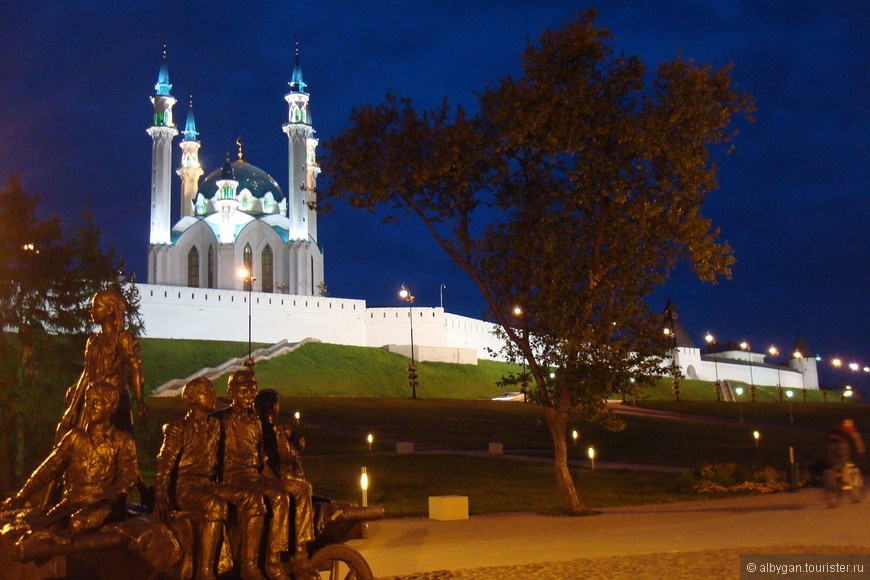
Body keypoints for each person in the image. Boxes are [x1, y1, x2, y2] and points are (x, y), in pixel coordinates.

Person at [153, 377, 267, 580]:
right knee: (216, 506)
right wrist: (160, 495)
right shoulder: (178, 428)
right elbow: (164, 463)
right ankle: (205, 572)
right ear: (192, 398)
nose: (213, 396)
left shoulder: (215, 425)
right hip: (184, 487)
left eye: (213, 392)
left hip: (207, 484)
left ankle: (249, 565)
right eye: (207, 392)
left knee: (254, 501)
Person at [212, 369, 317, 580]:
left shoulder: (256, 422)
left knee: (301, 488)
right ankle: (271, 562)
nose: (249, 395)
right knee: (278, 499)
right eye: (244, 391)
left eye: (252, 390)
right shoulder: (219, 420)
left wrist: (280, 481)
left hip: (255, 476)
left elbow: (262, 461)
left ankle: (299, 555)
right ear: (231, 392)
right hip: (232, 479)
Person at [3, 381, 138, 534]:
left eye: (97, 402)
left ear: (112, 406)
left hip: (102, 504)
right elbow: (49, 467)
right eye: (88, 401)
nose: (90, 406)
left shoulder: (122, 441)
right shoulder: (75, 437)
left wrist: (105, 496)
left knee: (77, 524)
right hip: (71, 501)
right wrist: (21, 495)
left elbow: (129, 477)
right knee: (37, 525)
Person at [56, 289, 146, 441]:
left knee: (115, 442)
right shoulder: (93, 341)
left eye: (96, 306)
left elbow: (136, 368)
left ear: (110, 309)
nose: (91, 310)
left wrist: (139, 400)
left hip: (114, 402)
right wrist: (73, 406)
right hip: (92, 402)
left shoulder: (123, 338)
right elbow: (86, 374)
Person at [255, 389, 315, 554]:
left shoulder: (255, 426)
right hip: (274, 477)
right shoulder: (274, 431)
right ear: (273, 407)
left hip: (265, 475)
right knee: (304, 488)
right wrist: (296, 444)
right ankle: (300, 547)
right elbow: (289, 456)